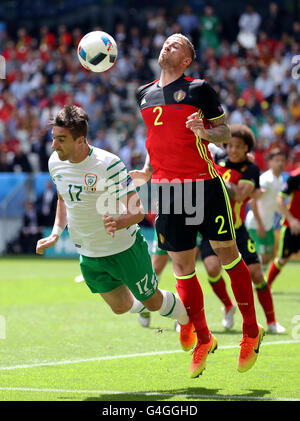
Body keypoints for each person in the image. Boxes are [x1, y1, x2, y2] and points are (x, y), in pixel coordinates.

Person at [132, 33, 263, 378]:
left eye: (176, 45)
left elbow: (224, 132)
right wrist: (147, 169)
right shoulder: (144, 94)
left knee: (227, 253)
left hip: (204, 185)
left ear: (187, 59)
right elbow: (156, 137)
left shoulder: (199, 89)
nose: (166, 45)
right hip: (168, 190)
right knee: (182, 266)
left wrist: (204, 131)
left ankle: (251, 331)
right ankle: (204, 338)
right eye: (165, 42)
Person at [36, 105, 191, 355]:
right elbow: (63, 199)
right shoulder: (56, 162)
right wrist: (55, 233)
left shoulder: (108, 164)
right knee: (121, 307)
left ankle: (187, 321)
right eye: (54, 138)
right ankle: (149, 305)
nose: (54, 145)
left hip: (124, 248)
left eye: (61, 139)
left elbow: (139, 211)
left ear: (81, 140)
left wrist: (119, 223)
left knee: (152, 301)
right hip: (88, 253)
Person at [200, 125, 285, 334]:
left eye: (239, 146)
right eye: (230, 145)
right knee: (211, 270)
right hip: (213, 228)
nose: (233, 150)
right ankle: (229, 306)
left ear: (247, 148)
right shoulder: (218, 161)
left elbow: (238, 196)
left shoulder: (252, 169)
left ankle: (272, 322)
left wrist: (218, 177)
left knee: (257, 274)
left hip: (237, 230)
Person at [245, 149, 286, 274]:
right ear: (270, 162)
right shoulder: (265, 180)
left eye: (282, 161)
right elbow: (252, 201)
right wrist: (260, 224)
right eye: (277, 160)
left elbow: (276, 203)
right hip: (256, 223)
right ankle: (255, 281)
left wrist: (286, 216)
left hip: (268, 223)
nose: (280, 163)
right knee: (259, 256)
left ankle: (259, 279)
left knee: (269, 255)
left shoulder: (279, 180)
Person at [267, 167, 300, 287]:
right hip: (293, 227)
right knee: (282, 259)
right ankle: (266, 286)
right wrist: (292, 220)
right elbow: (280, 200)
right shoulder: (295, 177)